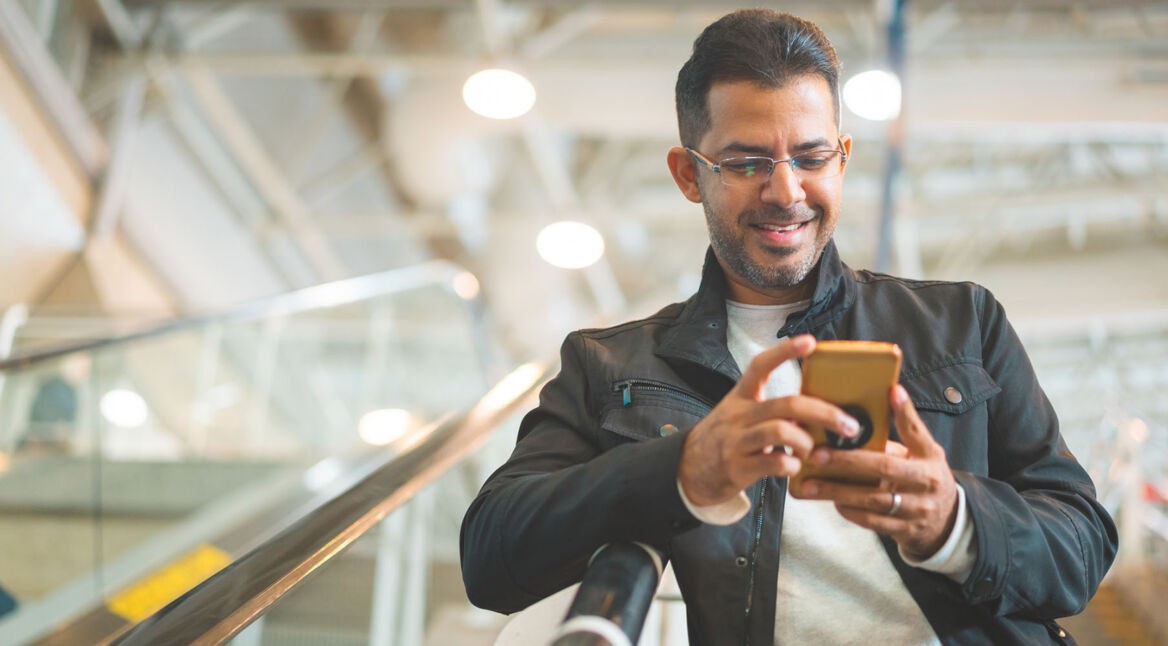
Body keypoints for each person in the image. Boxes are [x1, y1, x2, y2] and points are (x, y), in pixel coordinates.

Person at [460, 9, 1117, 645]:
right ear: (689, 174)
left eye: (810, 156)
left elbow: (1082, 545)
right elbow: (491, 554)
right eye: (746, 162)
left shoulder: (961, 322)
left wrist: (956, 521)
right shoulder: (613, 365)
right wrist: (684, 470)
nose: (785, 191)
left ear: (843, 157)